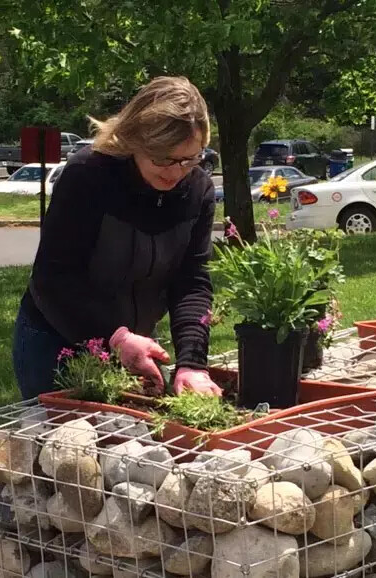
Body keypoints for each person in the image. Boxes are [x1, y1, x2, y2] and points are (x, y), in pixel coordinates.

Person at [13, 76, 222, 399]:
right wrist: (116, 337)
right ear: (135, 140)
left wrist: (192, 363)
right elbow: (53, 278)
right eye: (162, 158)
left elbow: (191, 281)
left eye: (188, 159)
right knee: (55, 444)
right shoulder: (89, 175)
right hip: (56, 338)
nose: (174, 172)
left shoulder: (198, 191)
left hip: (136, 342)